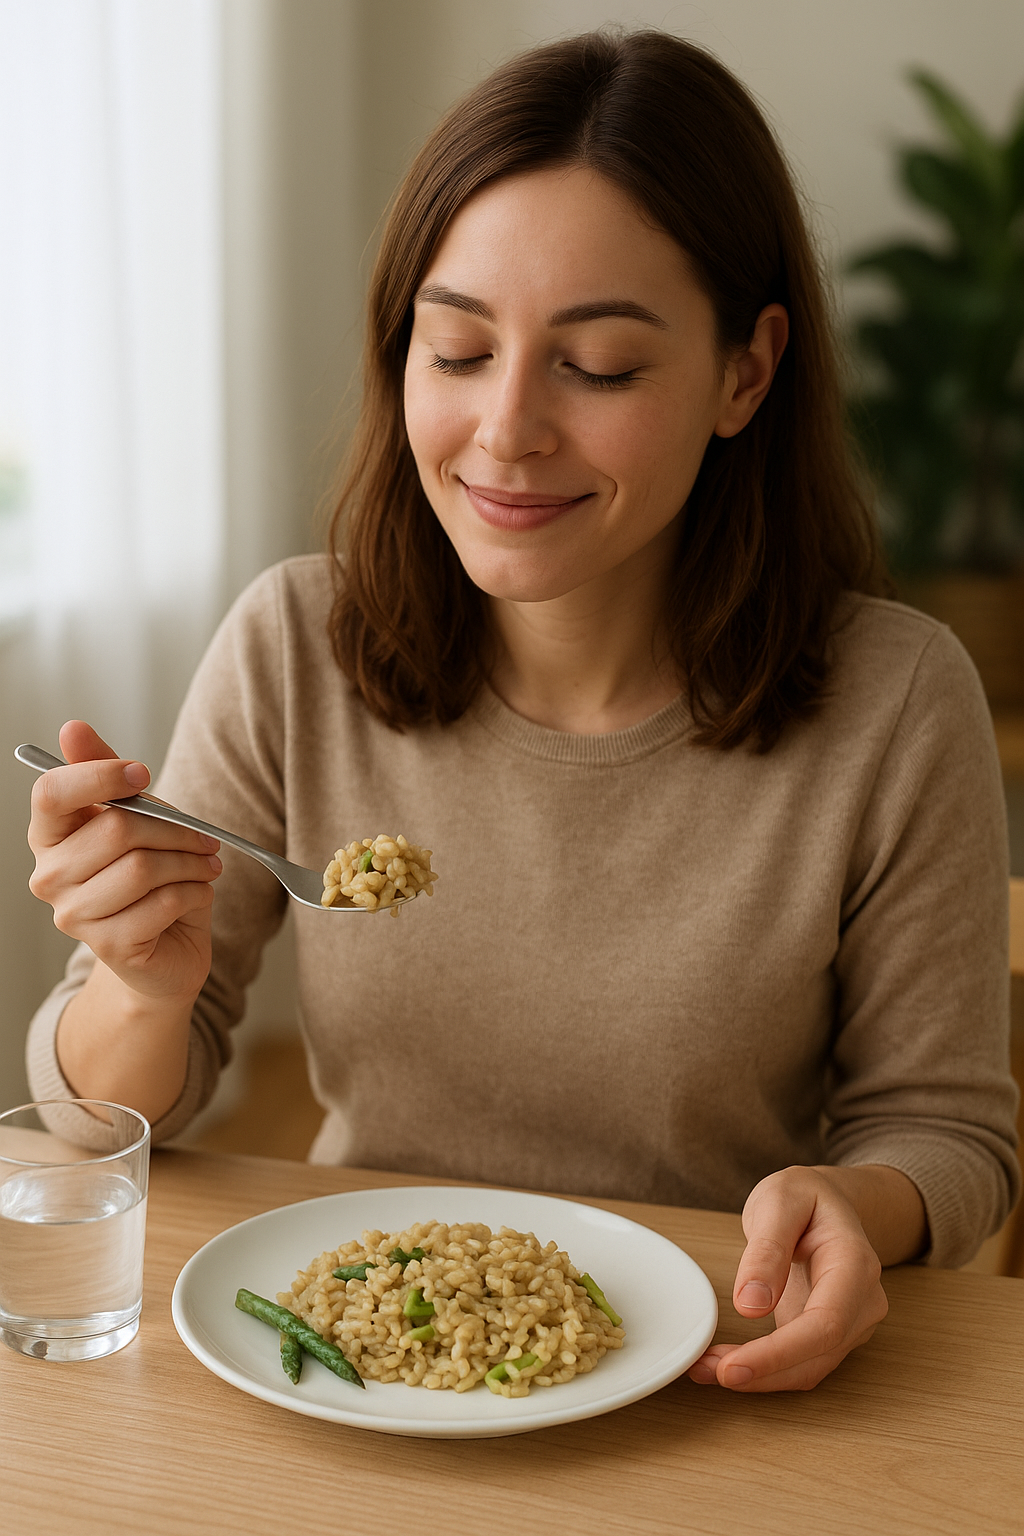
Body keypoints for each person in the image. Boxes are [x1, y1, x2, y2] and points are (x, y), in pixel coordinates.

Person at [24, 29, 1019, 1394]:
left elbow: (945, 1128)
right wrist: (146, 983)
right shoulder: (294, 644)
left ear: (746, 372)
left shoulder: (896, 702)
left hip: (710, 1379)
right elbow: (102, 1120)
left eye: (598, 367)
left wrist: (864, 1203)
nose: (504, 429)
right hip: (357, 1370)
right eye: (458, 348)